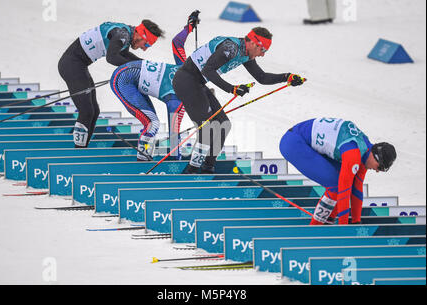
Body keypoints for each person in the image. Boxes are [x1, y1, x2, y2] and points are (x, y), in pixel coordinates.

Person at [172, 27, 306, 174]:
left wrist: (287, 77)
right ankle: (192, 170)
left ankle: (207, 167)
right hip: (186, 81)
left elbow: (261, 77)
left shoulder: (245, 54)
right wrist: (232, 88)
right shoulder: (231, 48)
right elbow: (208, 71)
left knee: (224, 124)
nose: (262, 55)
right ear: (254, 44)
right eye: (263, 50)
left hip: (198, 83)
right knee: (207, 128)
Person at [58, 20, 164, 148]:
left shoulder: (124, 35)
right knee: (86, 111)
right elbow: (112, 58)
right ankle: (78, 151)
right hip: (72, 65)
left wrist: (146, 65)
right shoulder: (122, 34)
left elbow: (124, 55)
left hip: (78, 65)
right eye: (146, 44)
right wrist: (136, 67)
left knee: (94, 111)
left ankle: (82, 148)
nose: (144, 48)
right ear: (140, 34)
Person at [110, 11, 201, 161]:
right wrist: (175, 161)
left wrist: (189, 27)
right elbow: (173, 135)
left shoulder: (184, 67)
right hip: (124, 79)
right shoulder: (178, 101)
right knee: (152, 123)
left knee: (153, 123)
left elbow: (177, 43)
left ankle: (144, 156)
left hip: (128, 76)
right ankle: (142, 160)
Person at [279, 117, 397, 225]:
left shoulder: (365, 150)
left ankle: (327, 221)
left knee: (344, 181)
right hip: (293, 143)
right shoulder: (354, 154)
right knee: (335, 185)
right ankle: (315, 228)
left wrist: (356, 221)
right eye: (380, 167)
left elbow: (357, 188)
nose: (377, 171)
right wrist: (343, 226)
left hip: (303, 139)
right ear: (376, 156)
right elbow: (344, 191)